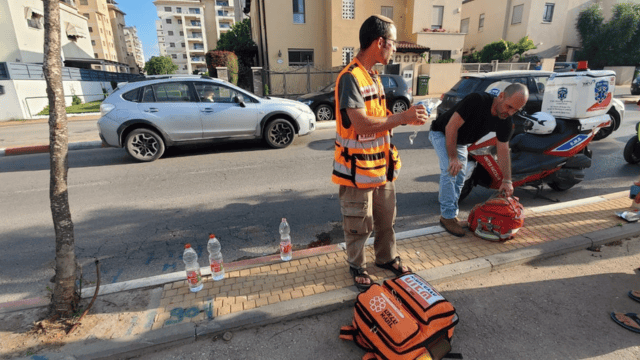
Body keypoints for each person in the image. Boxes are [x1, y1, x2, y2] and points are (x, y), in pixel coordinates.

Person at [333, 15, 429, 291]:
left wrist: (406, 119)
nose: (395, 48)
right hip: (356, 171)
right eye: (393, 42)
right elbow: (360, 123)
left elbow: (378, 120)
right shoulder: (350, 77)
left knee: (387, 220)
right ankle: (357, 265)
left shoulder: (372, 76)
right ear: (379, 42)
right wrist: (402, 118)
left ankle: (386, 259)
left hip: (380, 168)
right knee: (358, 223)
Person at [429, 83, 529, 237]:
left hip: (462, 142)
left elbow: (503, 150)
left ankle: (452, 216)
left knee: (461, 176)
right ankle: (447, 218)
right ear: (501, 96)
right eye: (509, 107)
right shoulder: (477, 100)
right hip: (442, 133)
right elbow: (451, 127)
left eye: (516, 110)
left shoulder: (505, 120)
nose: (510, 113)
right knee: (451, 171)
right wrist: (453, 158)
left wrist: (507, 180)